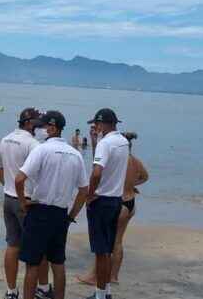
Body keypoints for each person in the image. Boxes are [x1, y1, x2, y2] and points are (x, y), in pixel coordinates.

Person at [15, 110, 89, 299]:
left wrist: (23, 203)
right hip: (60, 213)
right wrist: (72, 215)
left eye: (41, 126)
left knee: (32, 263)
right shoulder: (76, 154)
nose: (38, 129)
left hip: (40, 211)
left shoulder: (41, 149)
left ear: (52, 128)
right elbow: (83, 190)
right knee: (58, 263)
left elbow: (19, 179)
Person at [0, 108, 53, 299]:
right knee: (38, 248)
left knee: (12, 245)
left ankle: (11, 292)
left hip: (9, 199)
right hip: (26, 202)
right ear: (28, 123)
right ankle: (42, 288)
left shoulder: (6, 139)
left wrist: (8, 185)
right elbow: (42, 175)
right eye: (37, 123)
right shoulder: (33, 144)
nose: (41, 126)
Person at [77, 132, 148, 286]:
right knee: (117, 241)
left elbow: (99, 171)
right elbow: (145, 177)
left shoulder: (118, 160)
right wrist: (132, 185)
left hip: (119, 202)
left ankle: (94, 276)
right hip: (131, 203)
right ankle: (114, 276)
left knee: (105, 243)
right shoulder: (135, 161)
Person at [83, 108, 130, 299]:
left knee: (100, 252)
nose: (95, 127)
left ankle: (100, 295)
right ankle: (106, 291)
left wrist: (89, 194)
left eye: (97, 123)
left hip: (101, 200)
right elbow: (104, 164)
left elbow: (96, 172)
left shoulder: (106, 143)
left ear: (104, 123)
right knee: (108, 249)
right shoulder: (123, 142)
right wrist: (95, 142)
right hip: (115, 200)